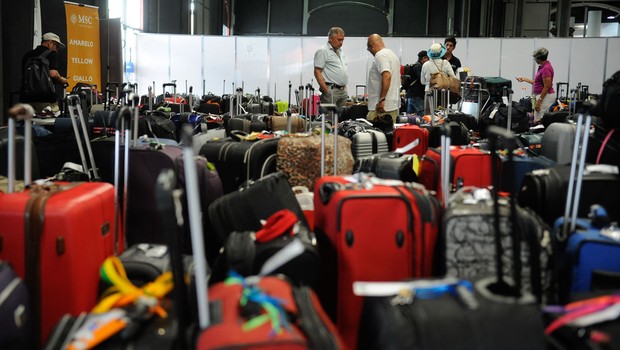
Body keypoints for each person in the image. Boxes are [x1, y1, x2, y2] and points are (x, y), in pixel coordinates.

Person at [20, 32, 69, 116]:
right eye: (56, 46)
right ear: (50, 43)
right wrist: (61, 80)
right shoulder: (51, 54)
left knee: (29, 126)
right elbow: (53, 74)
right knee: (52, 121)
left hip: (26, 98)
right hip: (45, 99)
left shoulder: (27, 55)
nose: (57, 50)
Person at [366, 34, 401, 122]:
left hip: (381, 107)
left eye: (369, 49)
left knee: (374, 134)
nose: (370, 51)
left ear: (372, 45)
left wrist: (382, 99)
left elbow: (387, 75)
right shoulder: (392, 54)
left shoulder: (380, 55)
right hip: (392, 104)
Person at [517, 47, 556, 123]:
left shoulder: (546, 68)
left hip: (545, 97)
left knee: (539, 120)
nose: (534, 60)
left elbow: (547, 86)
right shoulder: (543, 67)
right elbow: (537, 83)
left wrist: (539, 101)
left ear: (539, 58)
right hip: (541, 96)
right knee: (536, 118)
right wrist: (524, 79)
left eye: (535, 58)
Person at [314, 27, 348, 110]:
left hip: (342, 90)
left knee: (342, 118)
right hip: (331, 90)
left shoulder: (340, 51)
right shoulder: (323, 51)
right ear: (330, 38)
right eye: (339, 40)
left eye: (342, 40)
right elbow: (317, 71)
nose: (341, 43)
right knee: (329, 118)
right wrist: (326, 91)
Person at [420, 43, 457, 114]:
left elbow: (422, 81)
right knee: (441, 115)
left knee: (428, 115)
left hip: (429, 91)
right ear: (441, 53)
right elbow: (453, 78)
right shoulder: (445, 63)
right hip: (442, 92)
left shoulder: (425, 65)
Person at [404, 50, 428, 116]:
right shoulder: (418, 66)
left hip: (411, 94)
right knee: (423, 115)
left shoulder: (415, 66)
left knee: (410, 117)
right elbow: (422, 80)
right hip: (416, 95)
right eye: (428, 58)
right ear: (424, 58)